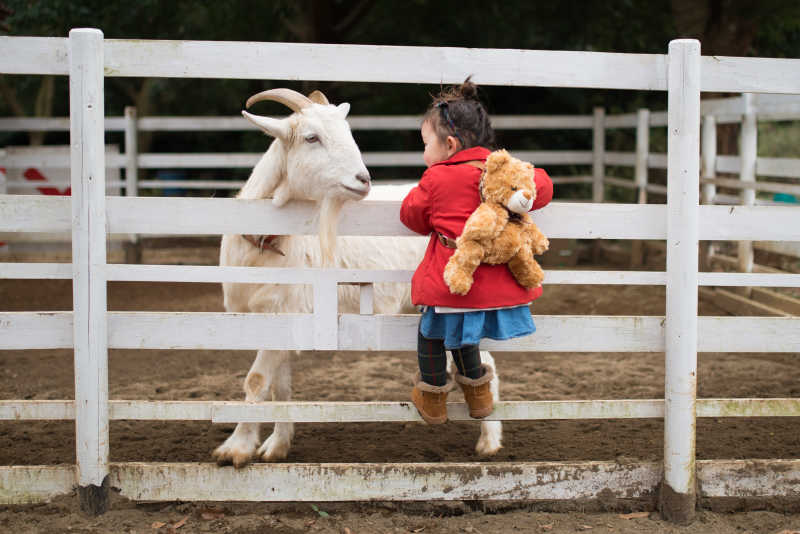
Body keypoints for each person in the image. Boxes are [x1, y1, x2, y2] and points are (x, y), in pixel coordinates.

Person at [400, 78, 553, 424]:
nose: (424, 154)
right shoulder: (507, 175)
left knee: (431, 333)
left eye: (426, 145)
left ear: (450, 144)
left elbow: (412, 216)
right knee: (464, 334)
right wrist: (518, 181)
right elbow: (543, 185)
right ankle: (478, 395)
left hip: (455, 281)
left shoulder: (436, 178)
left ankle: (433, 394)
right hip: (497, 286)